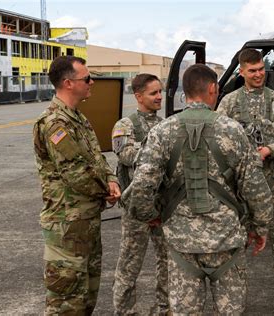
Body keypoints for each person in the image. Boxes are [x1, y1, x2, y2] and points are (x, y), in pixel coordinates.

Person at [127, 64, 273, 314]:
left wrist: (151, 216)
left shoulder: (163, 130)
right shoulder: (232, 129)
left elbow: (140, 186)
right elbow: (255, 187)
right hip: (226, 242)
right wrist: (259, 227)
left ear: (186, 92)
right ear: (213, 89)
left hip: (182, 245)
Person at [217, 48, 274, 315]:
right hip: (240, 188)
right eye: (252, 71)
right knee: (236, 241)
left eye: (261, 70)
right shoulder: (229, 103)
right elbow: (217, 140)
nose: (258, 75)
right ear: (241, 72)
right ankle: (232, 294)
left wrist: (270, 150)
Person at [33, 55, 121, 315]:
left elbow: (98, 158)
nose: (92, 82)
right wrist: (107, 191)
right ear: (68, 83)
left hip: (87, 223)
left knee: (85, 299)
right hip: (66, 228)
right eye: (87, 78)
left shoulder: (79, 119)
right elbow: (75, 174)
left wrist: (112, 179)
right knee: (66, 304)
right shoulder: (54, 124)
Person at [111, 74, 169, 315]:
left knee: (167, 261)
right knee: (130, 265)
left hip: (163, 206)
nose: (159, 97)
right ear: (138, 96)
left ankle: (165, 308)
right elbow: (128, 155)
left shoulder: (165, 124)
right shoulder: (125, 125)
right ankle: (125, 311)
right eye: (153, 93)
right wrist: (159, 152)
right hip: (136, 209)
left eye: (160, 92)